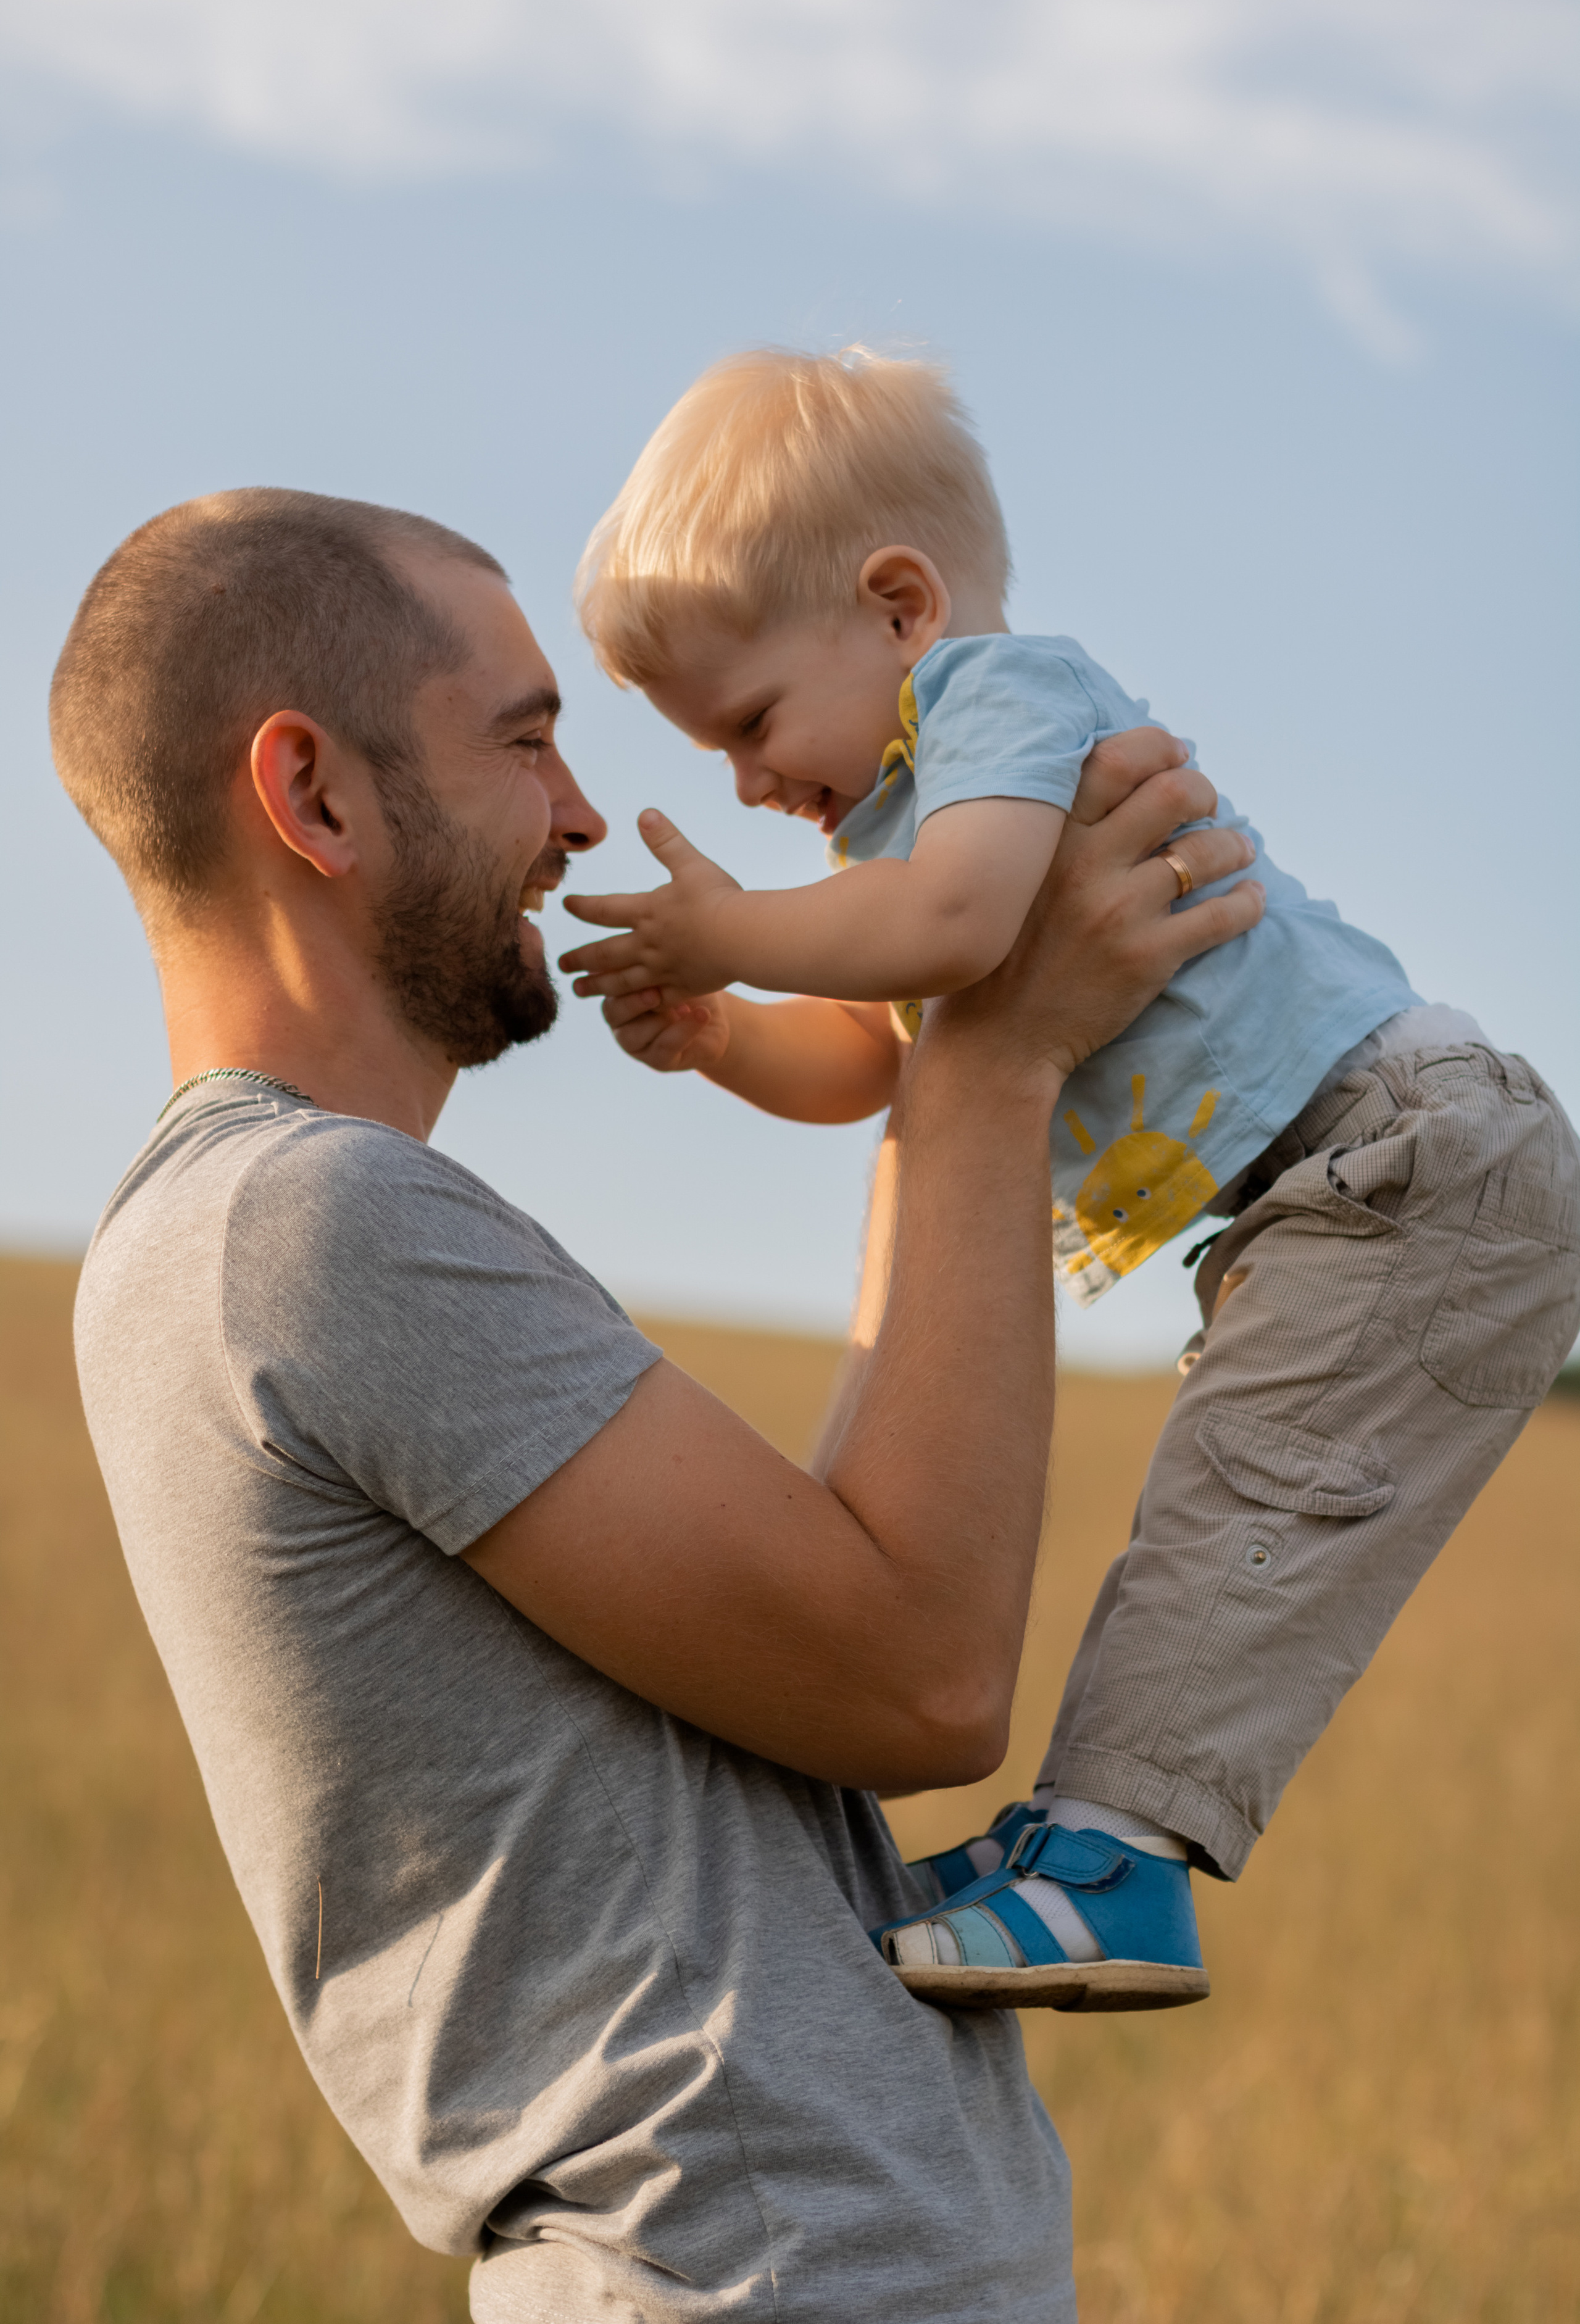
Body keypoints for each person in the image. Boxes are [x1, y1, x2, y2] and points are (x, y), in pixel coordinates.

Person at [51, 487, 1261, 2323]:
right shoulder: (306, 1226)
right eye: (526, 739)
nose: (585, 813)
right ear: (313, 797)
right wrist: (994, 1055)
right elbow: (918, 1669)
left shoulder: (243, 1237)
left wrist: (946, 1036)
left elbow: (847, 1617)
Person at [565, 346, 1580, 2009]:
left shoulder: (1001, 702)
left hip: (1410, 1152)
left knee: (1253, 1511)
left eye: (748, 723)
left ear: (901, 607)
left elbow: (954, 940)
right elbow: (900, 1059)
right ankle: (1079, 1836)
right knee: (1215, 1505)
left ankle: (1117, 1861)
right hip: (1329, 1189)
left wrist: (731, 924)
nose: (745, 783)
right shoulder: (890, 831)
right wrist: (726, 1030)